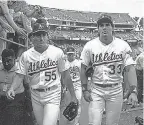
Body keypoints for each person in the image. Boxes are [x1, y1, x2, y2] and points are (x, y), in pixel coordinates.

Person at [6, 18, 77, 125]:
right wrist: (12, 88)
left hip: (53, 93)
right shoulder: (26, 55)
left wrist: (73, 95)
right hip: (35, 95)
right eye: (38, 35)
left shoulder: (57, 52)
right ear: (32, 37)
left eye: (44, 35)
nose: (41, 38)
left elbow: (66, 75)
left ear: (48, 36)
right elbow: (19, 75)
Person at [80, 14, 138, 125]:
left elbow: (130, 68)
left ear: (113, 27)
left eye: (107, 24)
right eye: (101, 25)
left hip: (115, 90)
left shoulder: (123, 45)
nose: (104, 27)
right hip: (96, 89)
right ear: (98, 28)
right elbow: (82, 68)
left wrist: (133, 90)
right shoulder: (90, 45)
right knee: (94, 122)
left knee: (112, 123)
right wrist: (84, 89)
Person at [0, 49, 25, 125]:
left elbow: (27, 85)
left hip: (17, 100)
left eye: (9, 60)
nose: (6, 63)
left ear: (15, 58)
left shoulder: (20, 70)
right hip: (2, 99)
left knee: (11, 119)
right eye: (4, 60)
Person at [59, 47, 82, 125]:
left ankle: (76, 122)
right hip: (68, 86)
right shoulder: (64, 64)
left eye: (72, 54)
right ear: (66, 55)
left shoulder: (78, 63)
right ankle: (69, 121)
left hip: (77, 84)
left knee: (78, 103)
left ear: (74, 54)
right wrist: (63, 86)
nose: (70, 56)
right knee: (68, 104)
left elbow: (82, 75)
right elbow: (62, 77)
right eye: (69, 54)